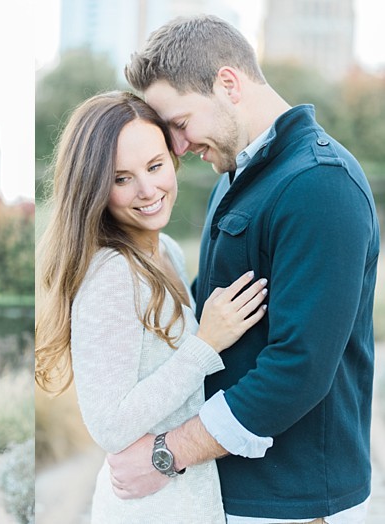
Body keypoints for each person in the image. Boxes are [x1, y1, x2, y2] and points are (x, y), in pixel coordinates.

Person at [107, 14, 381, 522]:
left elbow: (297, 367)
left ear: (227, 84)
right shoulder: (237, 175)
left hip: (291, 501)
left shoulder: (319, 185)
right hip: (235, 492)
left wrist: (167, 454)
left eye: (181, 123)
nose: (179, 147)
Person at [34, 90, 268, 522]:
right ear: (94, 188)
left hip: (186, 499)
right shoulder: (111, 274)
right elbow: (111, 425)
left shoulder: (168, 253)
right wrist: (206, 344)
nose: (147, 191)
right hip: (150, 508)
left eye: (155, 166)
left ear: (174, 158)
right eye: (121, 179)